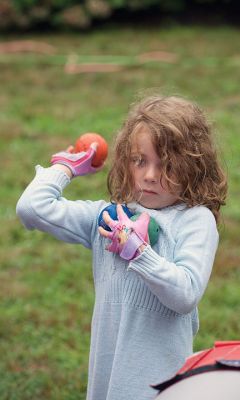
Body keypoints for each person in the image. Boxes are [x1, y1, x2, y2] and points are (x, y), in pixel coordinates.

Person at [16, 95, 227, 400]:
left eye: (166, 165)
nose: (150, 176)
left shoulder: (195, 220)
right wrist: (66, 167)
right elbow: (32, 208)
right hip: (107, 383)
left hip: (159, 387)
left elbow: (186, 294)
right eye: (139, 161)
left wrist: (139, 252)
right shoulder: (110, 217)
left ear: (193, 166)